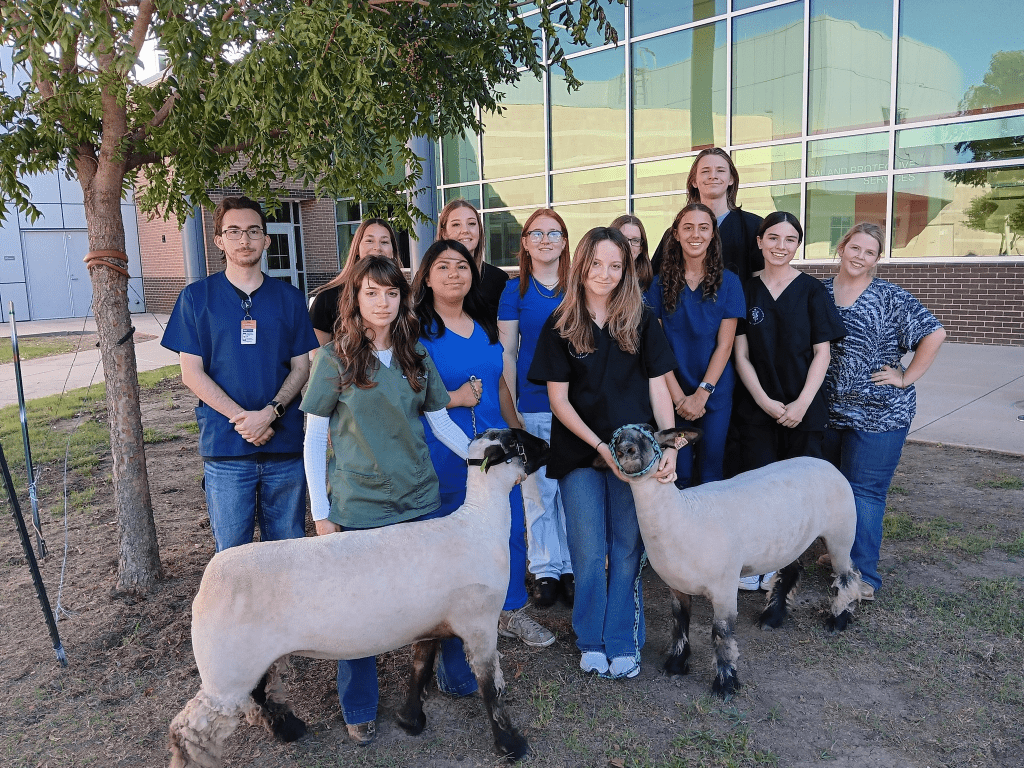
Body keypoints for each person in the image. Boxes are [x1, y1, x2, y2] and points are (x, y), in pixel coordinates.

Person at [301, 256, 477, 746]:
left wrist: (481, 460)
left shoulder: (416, 355)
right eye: (372, 293)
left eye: (392, 293)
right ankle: (359, 706)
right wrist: (321, 515)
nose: (382, 302)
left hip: (419, 503)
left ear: (403, 299)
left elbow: (440, 422)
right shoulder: (335, 360)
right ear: (354, 299)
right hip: (359, 509)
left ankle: (450, 676)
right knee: (356, 612)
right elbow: (315, 440)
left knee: (431, 598)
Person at [528, 227, 679, 679]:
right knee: (588, 550)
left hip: (634, 452)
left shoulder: (643, 320)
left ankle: (623, 639)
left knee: (628, 547)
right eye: (597, 263)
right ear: (581, 265)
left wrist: (669, 443)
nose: (606, 273)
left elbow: (658, 389)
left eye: (616, 265)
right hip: (581, 451)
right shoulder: (560, 325)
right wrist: (598, 447)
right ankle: (591, 639)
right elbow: (559, 401)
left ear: (627, 269)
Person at [414, 239, 555, 648]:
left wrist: (520, 436)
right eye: (443, 267)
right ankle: (444, 623)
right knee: (451, 540)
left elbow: (499, 387)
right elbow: (415, 396)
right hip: (446, 453)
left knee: (507, 533)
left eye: (461, 266)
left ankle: (510, 611)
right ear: (426, 276)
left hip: (497, 455)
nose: (454, 273)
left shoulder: (482, 324)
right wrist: (455, 397)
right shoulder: (418, 333)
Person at [161, 196, 319, 552]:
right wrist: (244, 420)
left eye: (252, 231)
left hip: (284, 449)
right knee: (233, 560)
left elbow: (302, 366)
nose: (244, 239)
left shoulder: (290, 298)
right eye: (233, 231)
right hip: (227, 450)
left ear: (265, 239)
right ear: (219, 240)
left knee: (289, 555)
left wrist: (270, 414)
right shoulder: (196, 298)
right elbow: (192, 373)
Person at [823, 223, 946, 601]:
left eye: (870, 252)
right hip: (828, 410)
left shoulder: (890, 297)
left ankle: (864, 577)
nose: (860, 256)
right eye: (855, 248)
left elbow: (934, 333)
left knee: (866, 492)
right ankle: (837, 555)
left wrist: (906, 377)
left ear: (877, 259)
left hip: (880, 414)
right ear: (842, 248)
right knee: (833, 491)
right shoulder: (820, 292)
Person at [732, 211, 846, 590]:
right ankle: (756, 566)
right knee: (757, 490)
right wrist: (764, 401)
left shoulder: (813, 291)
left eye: (790, 240)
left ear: (798, 244)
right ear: (760, 242)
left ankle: (786, 566)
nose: (781, 246)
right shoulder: (744, 291)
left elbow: (822, 354)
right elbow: (740, 354)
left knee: (797, 493)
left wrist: (800, 404)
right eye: (774, 238)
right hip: (757, 408)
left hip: (804, 408)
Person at [498, 209, 574, 609]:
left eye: (554, 233)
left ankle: (571, 567)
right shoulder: (514, 291)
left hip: (576, 408)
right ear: (525, 242)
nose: (546, 239)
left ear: (565, 241)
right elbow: (508, 352)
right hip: (533, 402)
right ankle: (545, 569)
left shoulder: (580, 286)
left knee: (572, 490)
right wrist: (512, 413)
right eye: (536, 233)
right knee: (539, 491)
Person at [645, 204, 745, 487]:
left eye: (703, 227)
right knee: (680, 471)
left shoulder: (730, 283)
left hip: (714, 393)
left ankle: (711, 532)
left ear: (713, 234)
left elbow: (726, 346)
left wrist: (702, 394)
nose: (695, 234)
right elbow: (658, 348)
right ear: (675, 234)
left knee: (712, 469)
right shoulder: (658, 285)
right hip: (672, 392)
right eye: (687, 227)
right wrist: (679, 399)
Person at [653, 148, 764, 284]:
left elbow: (762, 283)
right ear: (694, 181)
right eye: (705, 171)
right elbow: (656, 279)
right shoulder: (675, 233)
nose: (713, 176)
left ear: (731, 179)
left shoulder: (754, 227)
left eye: (720, 170)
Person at [308, 218, 401, 346]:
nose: (377, 248)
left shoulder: (403, 294)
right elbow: (317, 356)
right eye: (369, 241)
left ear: (393, 252)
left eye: (384, 242)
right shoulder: (327, 297)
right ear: (356, 248)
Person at [436, 199, 508, 321]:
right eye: (456, 224)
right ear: (444, 232)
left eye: (472, 224)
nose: (465, 230)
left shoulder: (499, 279)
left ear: (479, 230)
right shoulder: (430, 277)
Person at [610, 214, 654, 292]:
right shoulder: (600, 278)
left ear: (641, 248)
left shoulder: (650, 284)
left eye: (635, 240)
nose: (628, 245)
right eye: (623, 238)